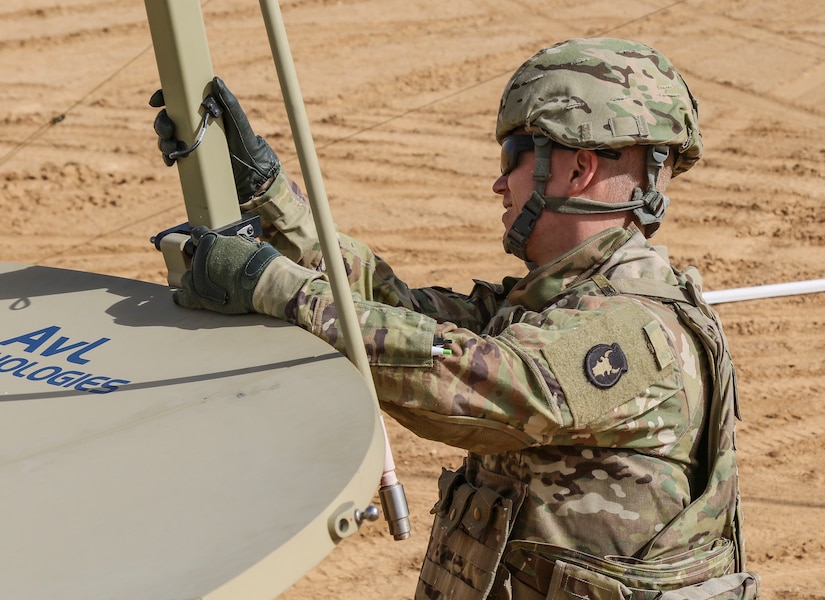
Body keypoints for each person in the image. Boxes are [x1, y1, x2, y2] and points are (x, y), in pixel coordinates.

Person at [152, 38, 759, 599]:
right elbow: (394, 310)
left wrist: (272, 286)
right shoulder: (552, 304)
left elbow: (474, 380)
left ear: (579, 167)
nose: (500, 183)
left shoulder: (639, 329)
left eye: (516, 156)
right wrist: (265, 192)